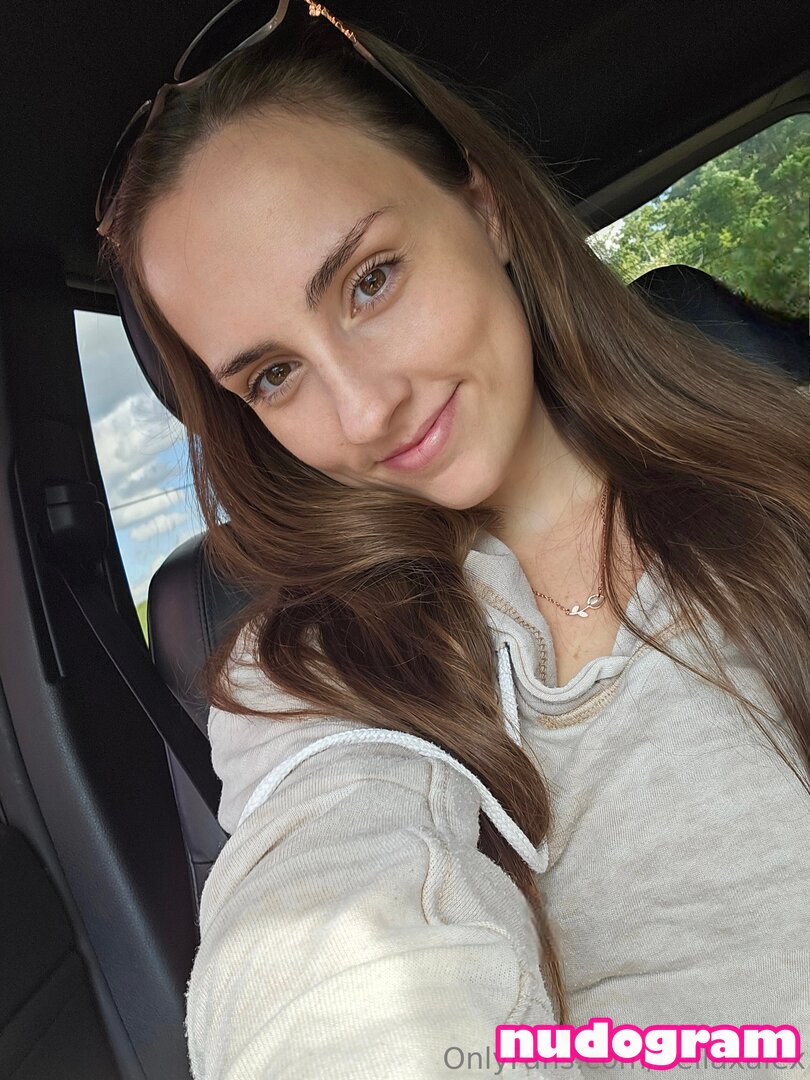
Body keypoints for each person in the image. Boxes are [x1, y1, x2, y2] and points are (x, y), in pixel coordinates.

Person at [95, 1, 810, 1076]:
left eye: (370, 280)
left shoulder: (782, 464)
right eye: (275, 375)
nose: (363, 409)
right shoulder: (307, 671)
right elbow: (324, 927)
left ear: (483, 211)